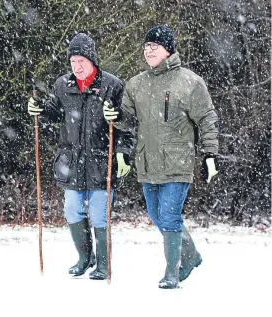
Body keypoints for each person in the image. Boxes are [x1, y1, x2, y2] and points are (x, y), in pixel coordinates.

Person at [103, 25, 219, 288]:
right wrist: (115, 116)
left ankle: (173, 272)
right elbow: (127, 120)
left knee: (169, 216)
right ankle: (190, 255)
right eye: (146, 46)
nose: (149, 51)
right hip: (147, 162)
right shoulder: (136, 84)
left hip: (178, 162)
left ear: (168, 49)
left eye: (154, 46)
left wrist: (210, 154)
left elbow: (208, 119)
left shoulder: (189, 82)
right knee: (157, 215)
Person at [27, 33, 134, 280]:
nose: (77, 66)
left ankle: (104, 265)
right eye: (73, 61)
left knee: (99, 213)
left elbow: (127, 125)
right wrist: (40, 110)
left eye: (81, 61)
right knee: (72, 209)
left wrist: (122, 155)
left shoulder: (112, 86)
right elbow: (54, 113)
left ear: (92, 61)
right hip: (71, 161)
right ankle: (85, 258)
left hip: (100, 161)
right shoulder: (63, 85)